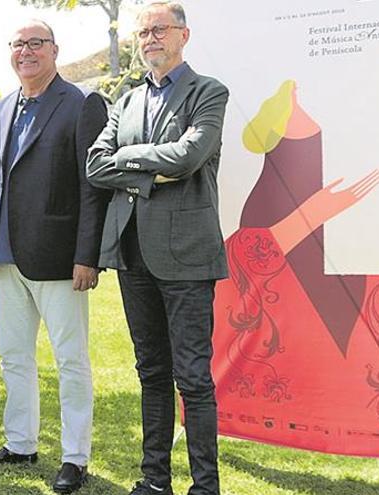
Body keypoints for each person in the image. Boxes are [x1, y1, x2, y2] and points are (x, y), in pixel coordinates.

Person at [211, 81, 379, 459]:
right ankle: (294, 128)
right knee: (286, 209)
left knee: (279, 218)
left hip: (292, 277)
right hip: (304, 279)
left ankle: (293, 129)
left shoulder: (373, 371)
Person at [86, 2, 229, 494]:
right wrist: (153, 170)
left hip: (187, 254)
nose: (148, 39)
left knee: (192, 376)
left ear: (183, 35)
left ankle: (205, 487)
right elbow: (95, 166)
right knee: (151, 372)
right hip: (133, 254)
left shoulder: (208, 92)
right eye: (142, 32)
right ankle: (154, 481)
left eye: (158, 30)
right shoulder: (125, 99)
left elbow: (190, 157)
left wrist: (130, 161)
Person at [0, 19, 109, 494]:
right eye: (19, 44)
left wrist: (87, 255)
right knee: (13, 357)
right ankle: (21, 442)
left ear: (55, 50)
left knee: (70, 360)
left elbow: (94, 188)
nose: (26, 51)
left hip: (58, 260)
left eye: (36, 43)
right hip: (4, 259)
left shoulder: (82, 104)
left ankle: (75, 456)